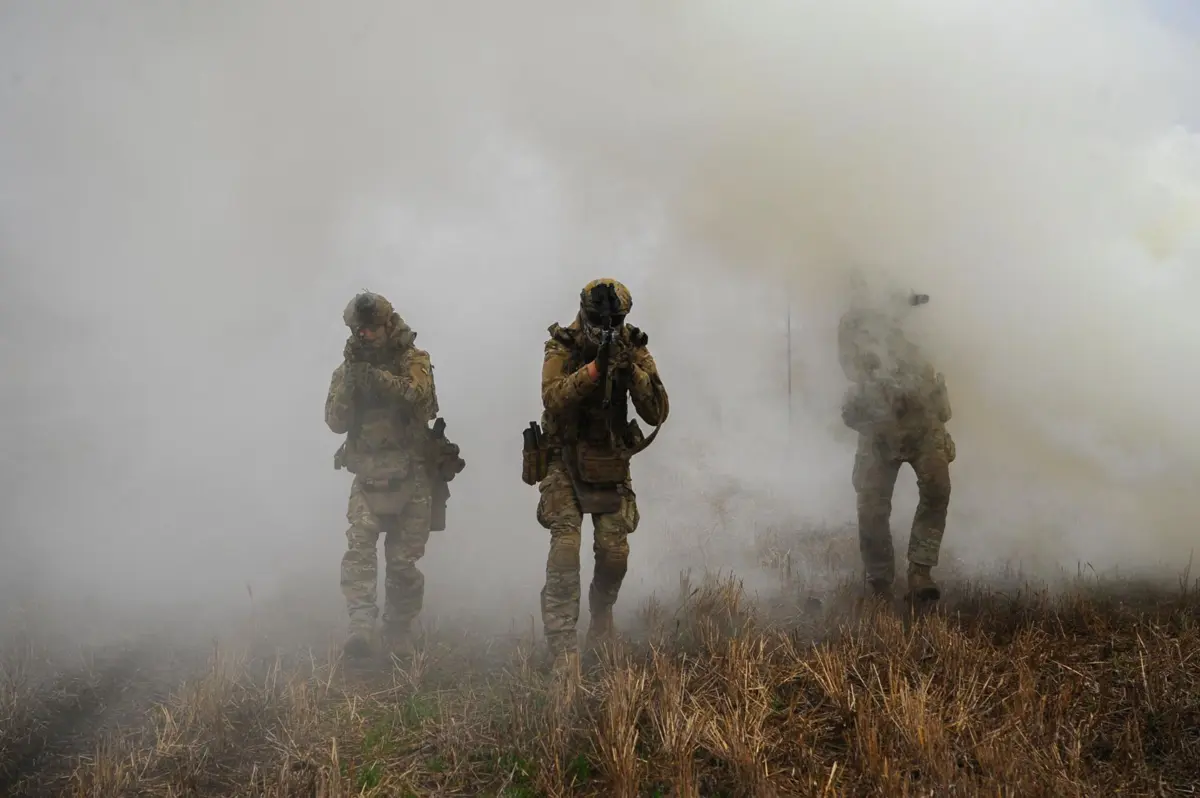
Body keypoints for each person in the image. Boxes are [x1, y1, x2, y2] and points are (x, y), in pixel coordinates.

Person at [532, 278, 669, 668]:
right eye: (598, 319)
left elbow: (657, 411)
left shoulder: (633, 347)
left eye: (615, 320)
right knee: (565, 551)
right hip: (564, 459)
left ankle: (602, 613)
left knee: (614, 553)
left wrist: (631, 373)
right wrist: (594, 371)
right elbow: (552, 398)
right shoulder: (562, 345)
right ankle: (563, 648)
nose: (606, 327)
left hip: (609, 459)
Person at [324, 291, 443, 658]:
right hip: (368, 475)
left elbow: (421, 400)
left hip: (411, 476)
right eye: (361, 330)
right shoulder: (348, 371)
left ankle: (397, 631)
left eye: (373, 329)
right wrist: (351, 385)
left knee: (403, 564)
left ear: (387, 325)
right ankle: (360, 627)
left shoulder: (413, 360)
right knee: (358, 552)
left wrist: (377, 380)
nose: (367, 336)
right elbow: (334, 421)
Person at [837, 285, 954, 602]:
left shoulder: (918, 321)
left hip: (922, 419)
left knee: (937, 489)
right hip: (880, 423)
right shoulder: (854, 324)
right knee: (871, 504)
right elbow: (849, 367)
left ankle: (920, 571)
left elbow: (939, 355)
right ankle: (879, 581)